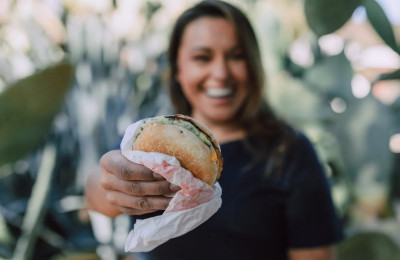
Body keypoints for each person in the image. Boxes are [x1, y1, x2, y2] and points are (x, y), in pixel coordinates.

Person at [85, 1, 343, 259]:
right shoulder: (150, 142)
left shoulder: (291, 152)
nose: (221, 73)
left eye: (236, 56)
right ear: (178, 69)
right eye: (202, 57)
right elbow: (96, 196)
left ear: (253, 66)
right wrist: (110, 180)